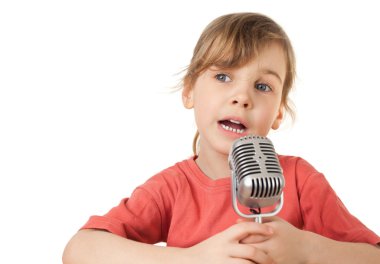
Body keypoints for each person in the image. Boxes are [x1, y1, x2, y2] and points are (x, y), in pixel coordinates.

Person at [62, 12, 380, 264]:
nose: (242, 96)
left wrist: (309, 250)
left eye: (262, 86)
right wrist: (191, 259)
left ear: (279, 112)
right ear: (189, 91)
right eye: (223, 76)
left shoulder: (299, 181)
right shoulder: (171, 189)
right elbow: (80, 249)